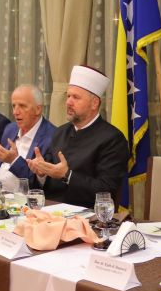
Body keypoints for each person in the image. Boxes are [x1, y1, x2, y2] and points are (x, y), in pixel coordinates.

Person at [26, 65, 128, 208]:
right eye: (68, 96)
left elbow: (107, 191)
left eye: (76, 97)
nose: (68, 102)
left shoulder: (113, 139)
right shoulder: (60, 132)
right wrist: (41, 173)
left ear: (94, 103)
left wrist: (67, 175)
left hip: (88, 215)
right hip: (50, 211)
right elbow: (45, 184)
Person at [0, 84, 55, 184]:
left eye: (22, 106)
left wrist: (14, 160)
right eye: (14, 106)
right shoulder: (10, 129)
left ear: (38, 109)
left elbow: (37, 184)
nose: (15, 112)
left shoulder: (52, 137)